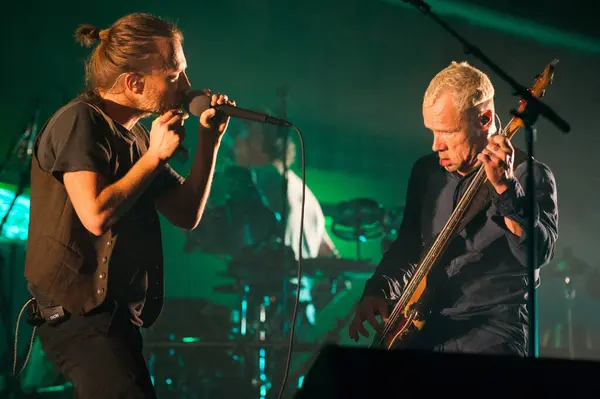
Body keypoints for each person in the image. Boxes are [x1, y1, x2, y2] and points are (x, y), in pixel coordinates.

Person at [22, 13, 234, 398]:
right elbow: (95, 214)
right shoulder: (80, 121)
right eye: (174, 76)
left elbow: (186, 213)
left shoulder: (136, 137)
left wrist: (209, 142)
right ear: (134, 83)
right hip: (79, 319)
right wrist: (154, 158)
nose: (187, 86)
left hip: (114, 319)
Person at [348, 61, 559, 355]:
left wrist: (505, 190)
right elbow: (409, 245)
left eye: (447, 131)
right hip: (427, 329)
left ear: (484, 119)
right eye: (432, 131)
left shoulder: (528, 175)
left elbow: (537, 253)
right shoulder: (426, 172)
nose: (436, 145)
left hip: (493, 335)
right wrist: (379, 288)